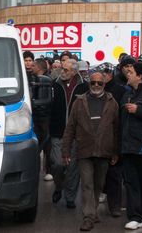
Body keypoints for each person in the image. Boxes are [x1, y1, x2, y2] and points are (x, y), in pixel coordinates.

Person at [62, 71, 119, 231]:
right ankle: (88, 217)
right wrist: (65, 151)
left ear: (104, 84)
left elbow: (116, 129)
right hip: (84, 150)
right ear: (88, 83)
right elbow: (70, 128)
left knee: (98, 184)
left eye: (99, 83)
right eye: (93, 82)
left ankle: (92, 212)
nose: (95, 85)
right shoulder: (79, 102)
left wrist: (115, 152)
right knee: (86, 184)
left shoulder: (112, 102)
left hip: (104, 151)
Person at [49, 58, 89, 209]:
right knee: (57, 164)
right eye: (62, 69)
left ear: (74, 71)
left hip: (76, 134)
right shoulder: (54, 85)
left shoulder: (84, 87)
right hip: (57, 132)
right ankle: (59, 186)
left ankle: (70, 197)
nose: (62, 72)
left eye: (65, 70)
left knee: (73, 168)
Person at [96, 62, 127, 217]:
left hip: (114, 136)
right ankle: (94, 204)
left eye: (106, 73)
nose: (103, 75)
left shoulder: (121, 91)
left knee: (114, 173)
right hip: (96, 137)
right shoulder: (94, 89)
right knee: (97, 172)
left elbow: (122, 117)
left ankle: (115, 206)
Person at [120, 62, 142, 230]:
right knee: (131, 182)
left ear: (140, 76)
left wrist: (138, 110)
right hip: (127, 145)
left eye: (130, 72)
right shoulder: (126, 94)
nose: (127, 75)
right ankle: (135, 216)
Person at [31, 58, 53, 181]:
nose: (31, 66)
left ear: (39, 67)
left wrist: (34, 105)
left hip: (43, 117)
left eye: (33, 65)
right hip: (38, 116)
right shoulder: (34, 79)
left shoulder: (44, 81)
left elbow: (45, 102)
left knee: (46, 143)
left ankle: (49, 169)